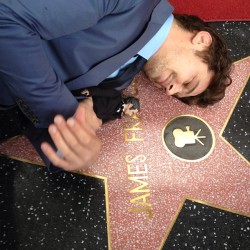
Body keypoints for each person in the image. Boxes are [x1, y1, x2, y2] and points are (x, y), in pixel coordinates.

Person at [0, 0, 232, 172]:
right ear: (201, 41)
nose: (171, 90)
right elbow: (6, 17)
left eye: (177, 94)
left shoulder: (124, 78)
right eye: (188, 82)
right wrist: (62, 111)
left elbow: (38, 114)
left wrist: (70, 147)